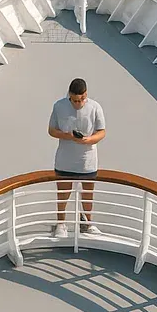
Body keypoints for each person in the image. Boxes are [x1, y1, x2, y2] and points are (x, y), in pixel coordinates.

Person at [47, 77, 106, 237]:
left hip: (87, 161)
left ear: (85, 95)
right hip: (65, 160)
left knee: (87, 194)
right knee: (63, 194)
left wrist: (88, 140)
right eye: (73, 100)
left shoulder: (95, 107)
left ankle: (87, 223)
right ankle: (61, 224)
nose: (76, 104)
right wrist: (67, 136)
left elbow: (101, 132)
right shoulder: (59, 106)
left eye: (80, 100)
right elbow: (52, 130)